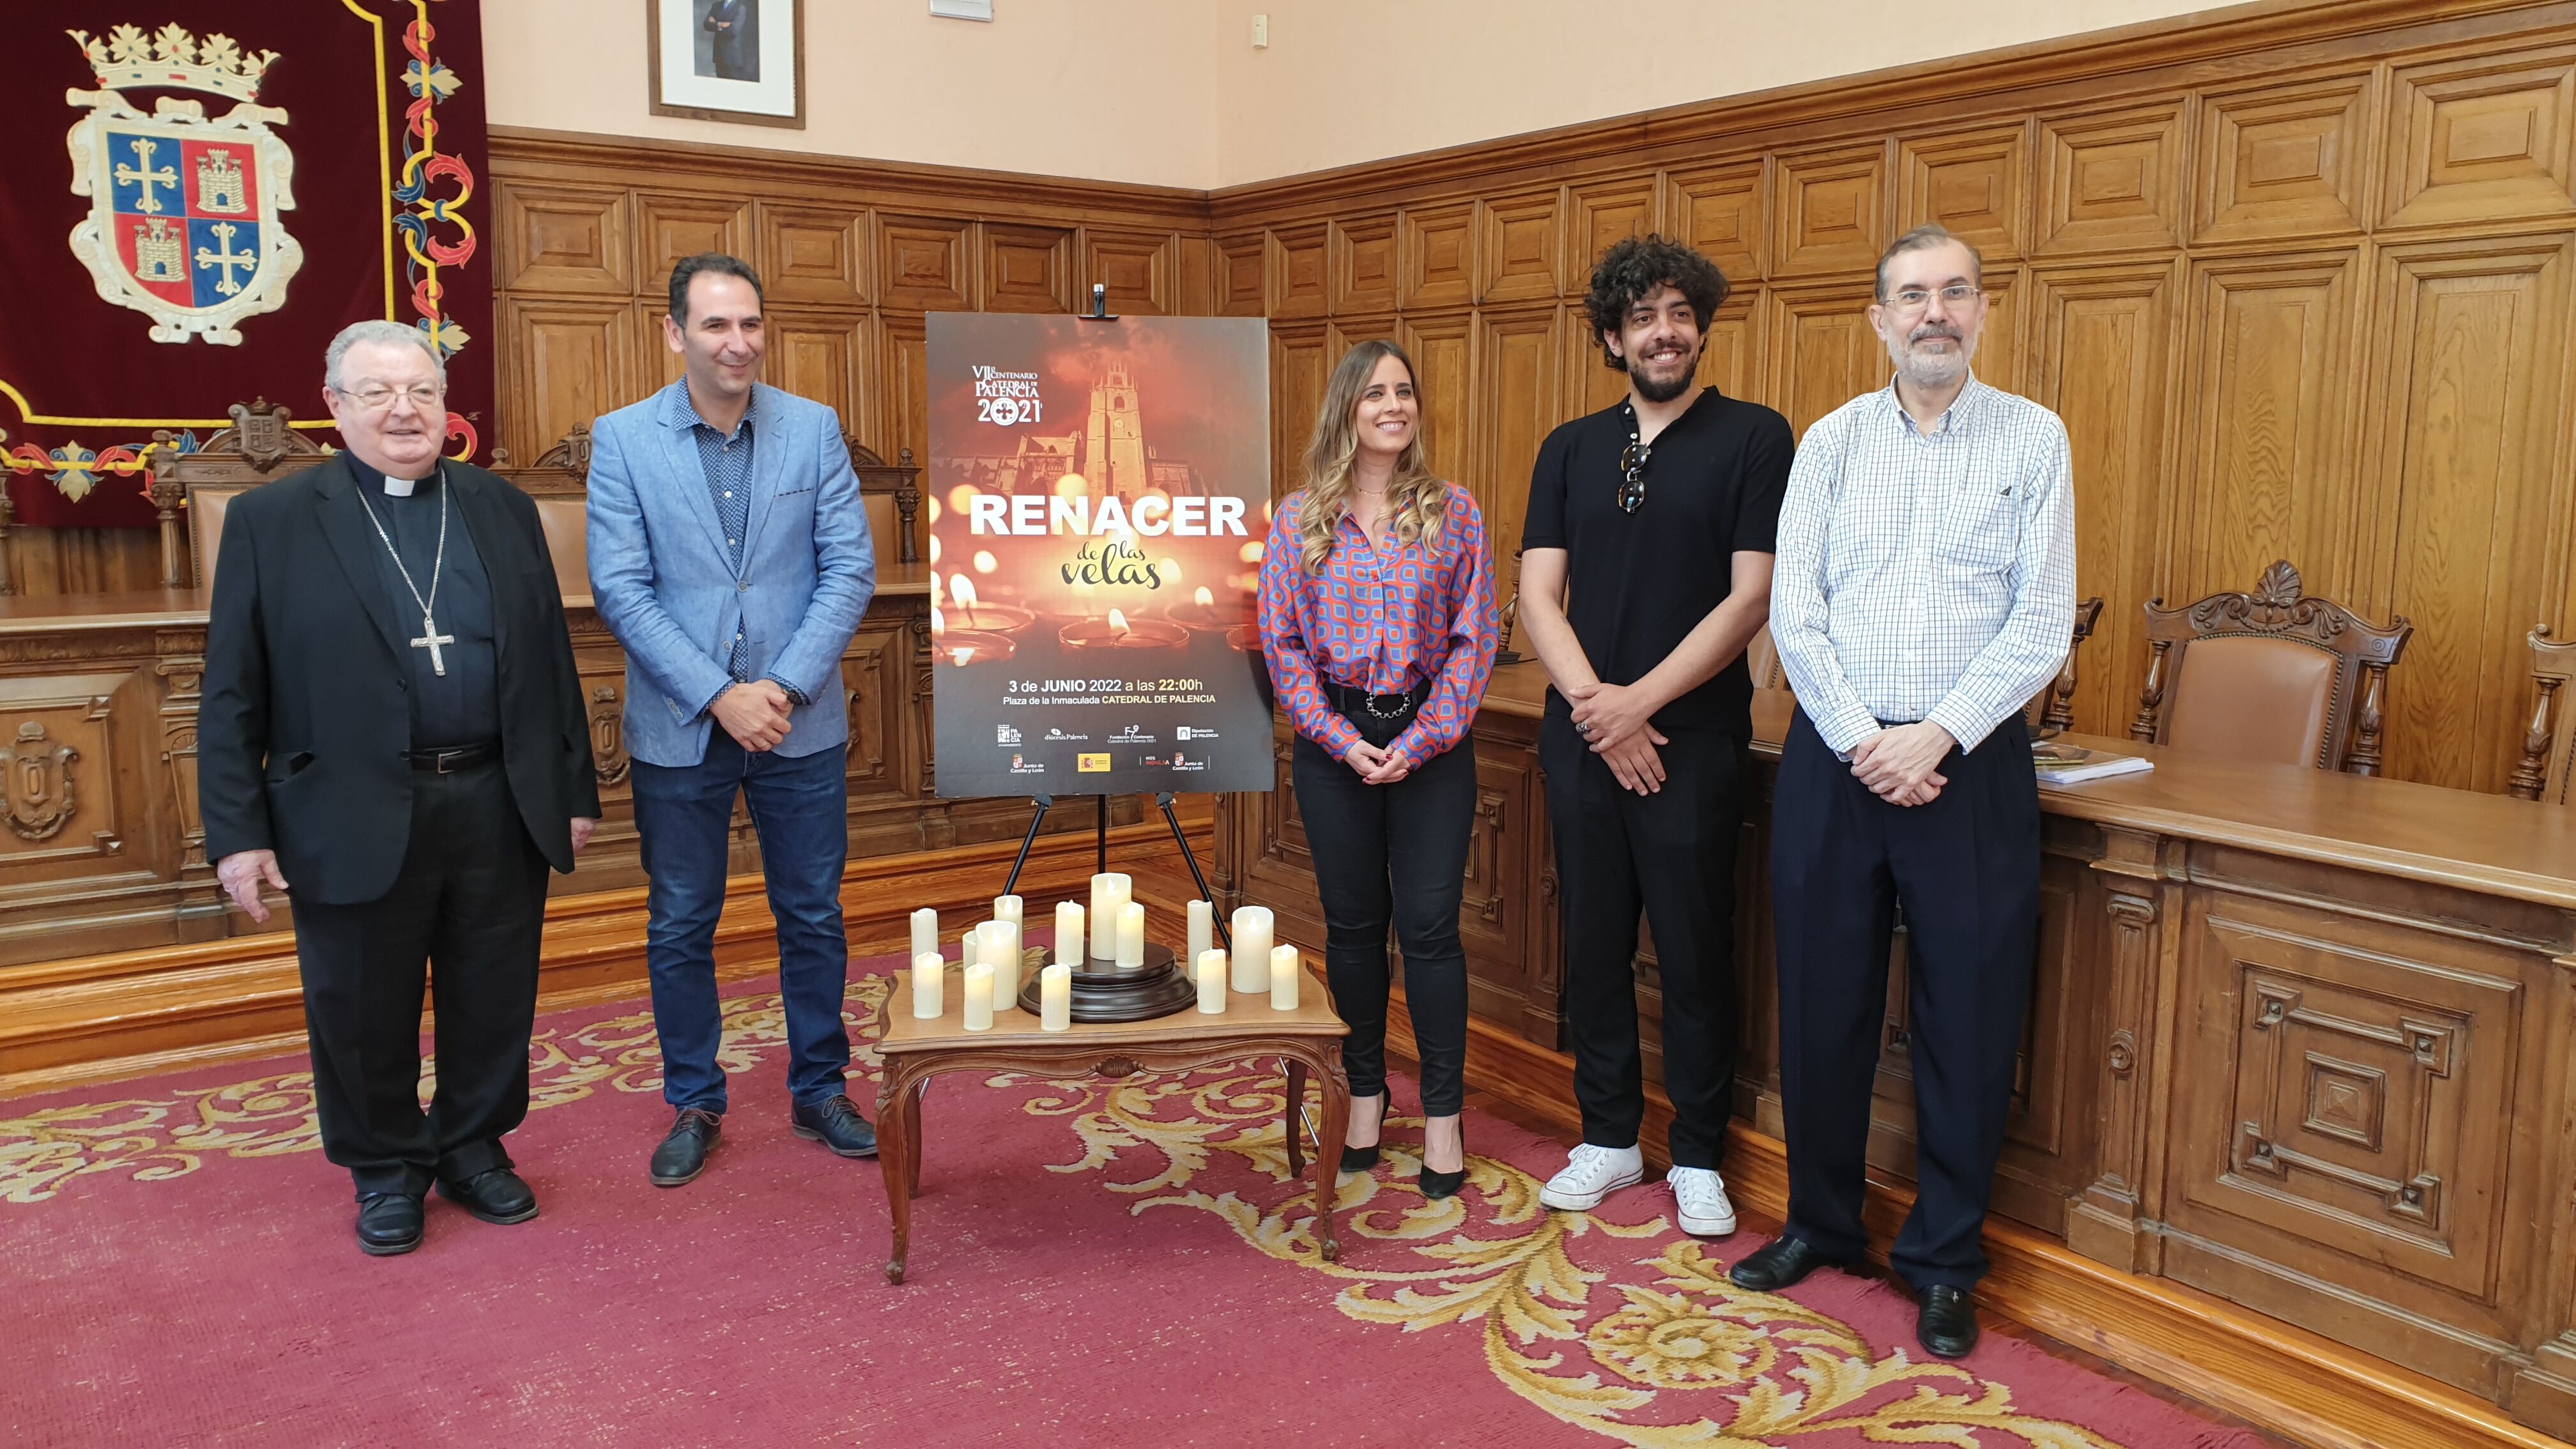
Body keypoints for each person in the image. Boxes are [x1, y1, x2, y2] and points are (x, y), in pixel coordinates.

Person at [1731, 224, 2075, 1362]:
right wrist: (1861, 738)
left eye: (1956, 293)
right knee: (1821, 1009)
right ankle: (1822, 1226)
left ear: (1983, 312)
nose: (1937, 312)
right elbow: (1798, 613)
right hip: (1840, 764)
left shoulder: (2034, 440)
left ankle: (1943, 1261)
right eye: (1913, 296)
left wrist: (1934, 735)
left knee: (1966, 1025)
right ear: (1878, 320)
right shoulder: (1829, 444)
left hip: (1970, 769)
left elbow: (2040, 626)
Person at [197, 320, 602, 1256]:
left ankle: (471, 1144)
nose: (403, 410)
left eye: (421, 390)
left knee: (492, 991)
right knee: (361, 1004)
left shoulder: (502, 510)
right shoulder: (275, 522)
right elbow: (230, 691)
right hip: (348, 807)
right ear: (334, 405)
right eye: (376, 392)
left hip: (497, 798)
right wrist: (238, 834)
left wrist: (570, 789)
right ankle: (386, 1166)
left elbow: (549, 661)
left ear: (446, 405)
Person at [1519, 236, 1790, 1238]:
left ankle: (1702, 1155)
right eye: (1642, 318)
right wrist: (1600, 707)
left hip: (1696, 742)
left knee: (1692, 949)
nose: (1663, 332)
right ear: (1611, 336)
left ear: (1702, 328)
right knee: (1591, 941)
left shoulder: (1757, 438)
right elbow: (1539, 596)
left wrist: (1643, 707)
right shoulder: (1570, 447)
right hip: (1584, 734)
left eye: (1678, 314)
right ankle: (1609, 1137)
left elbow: (1750, 597)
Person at [587, 253, 877, 1187]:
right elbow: (621, 590)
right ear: (676, 334)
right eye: (715, 325)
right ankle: (694, 1101)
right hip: (683, 724)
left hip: (800, 723)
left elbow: (849, 571)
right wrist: (720, 695)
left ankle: (820, 1089)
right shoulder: (624, 440)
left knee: (813, 913)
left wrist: (782, 689)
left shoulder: (813, 429)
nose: (737, 342)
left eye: (749, 323)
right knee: (680, 921)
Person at [1257, 341, 1498, 1199]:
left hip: (1430, 740)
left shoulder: (1454, 511)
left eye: (1403, 392)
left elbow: (1478, 638)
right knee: (1354, 929)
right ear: (1346, 412)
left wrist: (1425, 737)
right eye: (1374, 394)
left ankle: (1442, 1115)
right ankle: (1364, 1094)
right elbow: (1281, 643)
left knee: (1430, 930)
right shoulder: (1299, 519)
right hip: (1337, 744)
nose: (1392, 406)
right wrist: (1332, 733)